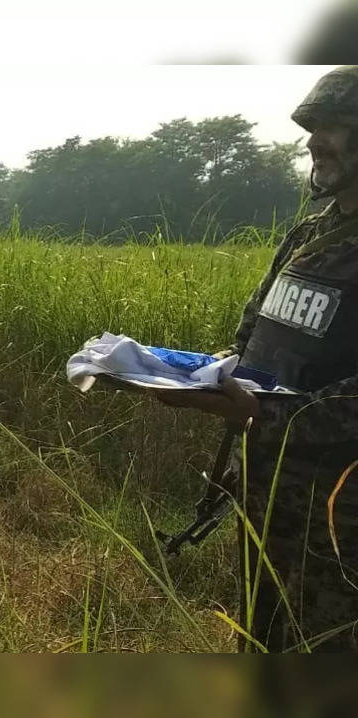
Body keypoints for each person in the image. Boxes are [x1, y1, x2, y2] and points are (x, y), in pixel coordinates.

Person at [159, 66, 358, 651]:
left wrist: (268, 415)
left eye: (336, 127)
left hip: (341, 508)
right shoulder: (309, 236)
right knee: (260, 634)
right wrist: (210, 373)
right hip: (270, 487)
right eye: (312, 127)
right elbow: (256, 332)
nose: (314, 141)